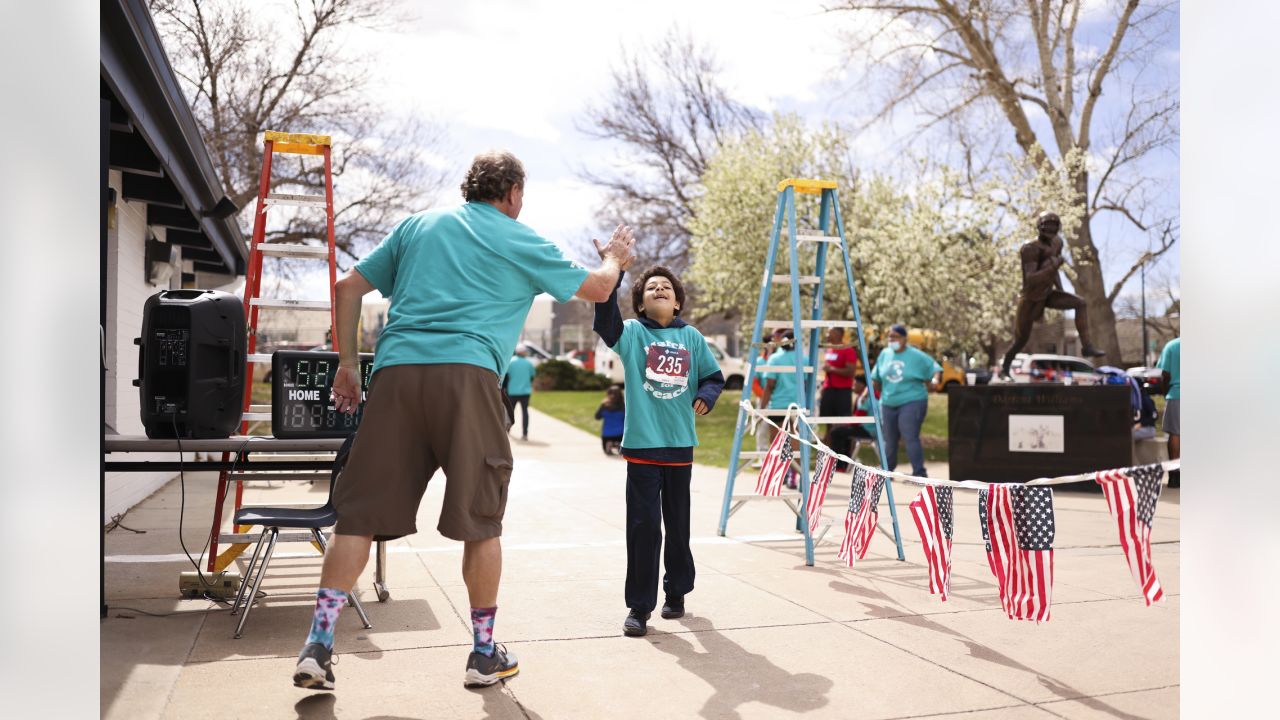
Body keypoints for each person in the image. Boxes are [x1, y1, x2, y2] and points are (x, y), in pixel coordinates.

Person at [293, 150, 637, 691]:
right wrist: (617, 257)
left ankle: (318, 644)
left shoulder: (416, 227)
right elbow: (597, 287)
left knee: (356, 517)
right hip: (469, 377)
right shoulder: (518, 237)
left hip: (397, 375)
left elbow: (346, 288)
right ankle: (482, 655)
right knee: (481, 520)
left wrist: (347, 365)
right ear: (514, 194)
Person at [593, 264, 724, 638]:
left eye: (666, 286)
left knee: (678, 527)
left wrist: (706, 396)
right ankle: (638, 607)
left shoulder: (692, 338)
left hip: (680, 447)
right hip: (643, 448)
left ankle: (677, 591)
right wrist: (613, 274)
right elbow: (607, 325)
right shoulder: (633, 334)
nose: (660, 289)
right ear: (641, 303)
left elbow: (713, 377)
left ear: (678, 302)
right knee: (644, 528)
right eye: (651, 287)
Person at [1000, 211, 1106, 379]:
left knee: (1080, 303)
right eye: (1046, 225)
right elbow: (1031, 279)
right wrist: (1053, 266)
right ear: (1039, 227)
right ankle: (1005, 368)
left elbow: (1054, 271)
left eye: (1053, 226)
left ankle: (1087, 345)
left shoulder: (1057, 243)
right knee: (1020, 340)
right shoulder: (1030, 248)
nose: (1050, 229)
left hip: (1047, 293)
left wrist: (1060, 288)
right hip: (1030, 298)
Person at [869, 324, 941, 477]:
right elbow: (875, 377)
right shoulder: (885, 354)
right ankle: (887, 471)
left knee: (910, 436)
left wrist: (934, 381)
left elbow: (935, 368)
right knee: (889, 438)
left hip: (912, 400)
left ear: (904, 339)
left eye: (895, 336)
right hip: (888, 402)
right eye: (889, 336)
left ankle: (919, 473)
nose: (891, 339)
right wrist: (884, 392)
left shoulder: (916, 355)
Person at [759, 329, 801, 488]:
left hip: (778, 405)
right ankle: (793, 475)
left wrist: (761, 408)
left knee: (776, 441)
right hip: (797, 405)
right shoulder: (802, 359)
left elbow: (769, 386)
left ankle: (779, 474)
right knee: (795, 441)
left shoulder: (775, 359)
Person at [829, 374, 875, 470]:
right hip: (868, 428)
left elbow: (857, 420)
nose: (853, 385)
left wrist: (842, 423)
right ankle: (844, 463)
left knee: (836, 432)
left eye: (855, 383)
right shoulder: (867, 396)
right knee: (843, 431)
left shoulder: (864, 398)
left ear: (862, 385)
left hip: (869, 430)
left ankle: (839, 466)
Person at [1157, 336, 1180, 487]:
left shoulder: (1171, 346)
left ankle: (1174, 475)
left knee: (1175, 433)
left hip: (1177, 394)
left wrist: (1165, 393)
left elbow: (1165, 374)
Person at [504, 346, 536, 440]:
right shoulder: (529, 363)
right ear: (524, 353)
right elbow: (532, 376)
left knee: (510, 412)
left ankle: (507, 431)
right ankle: (525, 434)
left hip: (512, 391)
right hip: (525, 392)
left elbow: (506, 376)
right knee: (525, 412)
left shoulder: (510, 362)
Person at [595, 385, 626, 455]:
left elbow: (597, 417)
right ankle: (617, 444)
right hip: (620, 434)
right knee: (621, 436)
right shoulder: (624, 406)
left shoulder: (604, 405)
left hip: (606, 435)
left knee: (607, 446)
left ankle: (610, 444)